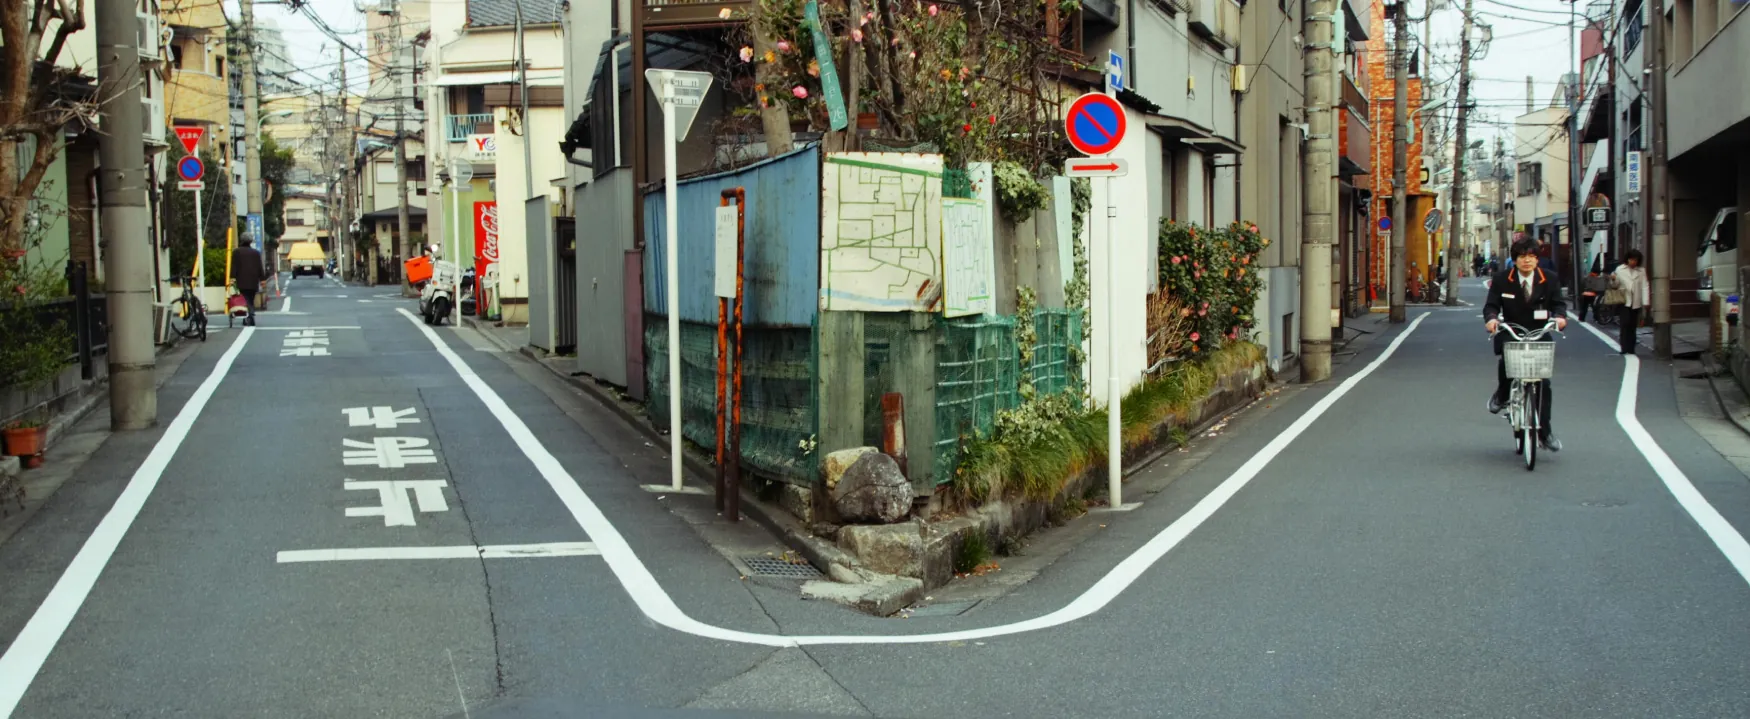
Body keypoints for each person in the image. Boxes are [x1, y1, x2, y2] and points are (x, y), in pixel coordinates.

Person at [1485, 238, 1568, 452]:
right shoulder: (1503, 279)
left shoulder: (1549, 278)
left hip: (1539, 333)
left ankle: (1545, 433)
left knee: (1544, 384)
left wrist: (1560, 318)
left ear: (1537, 259)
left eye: (1531, 256)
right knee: (1507, 363)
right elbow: (1491, 305)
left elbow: (1559, 304)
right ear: (1515, 260)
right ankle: (1502, 394)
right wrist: (1492, 319)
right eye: (1522, 256)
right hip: (1511, 331)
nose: (1527, 261)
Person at [1610, 249, 1650, 354]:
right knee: (1625, 324)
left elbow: (1645, 286)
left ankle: (1631, 348)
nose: (1633, 262)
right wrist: (1613, 279)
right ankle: (1624, 347)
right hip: (1624, 301)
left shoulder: (1641, 271)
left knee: (1632, 326)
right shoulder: (1620, 269)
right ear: (1627, 259)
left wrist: (1645, 301)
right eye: (1631, 259)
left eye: (1635, 260)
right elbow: (1614, 285)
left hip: (1636, 301)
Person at [231, 237, 266, 326]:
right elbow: (259, 267)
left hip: (241, 280)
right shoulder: (256, 253)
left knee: (245, 299)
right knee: (250, 298)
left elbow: (234, 266)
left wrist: (232, 277)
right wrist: (262, 279)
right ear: (250, 242)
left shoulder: (236, 252)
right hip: (253, 281)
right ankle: (250, 315)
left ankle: (249, 314)